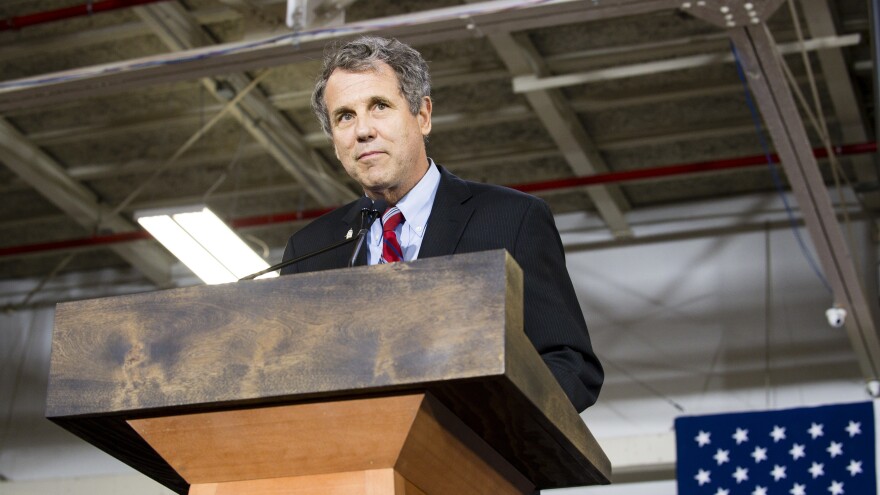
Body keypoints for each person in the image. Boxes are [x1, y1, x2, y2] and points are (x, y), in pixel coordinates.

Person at [280, 36, 603, 412]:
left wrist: (489, 428)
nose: (362, 130)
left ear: (423, 115)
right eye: (345, 116)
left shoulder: (512, 219)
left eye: (379, 106)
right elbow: (290, 382)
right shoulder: (308, 251)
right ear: (335, 141)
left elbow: (569, 364)